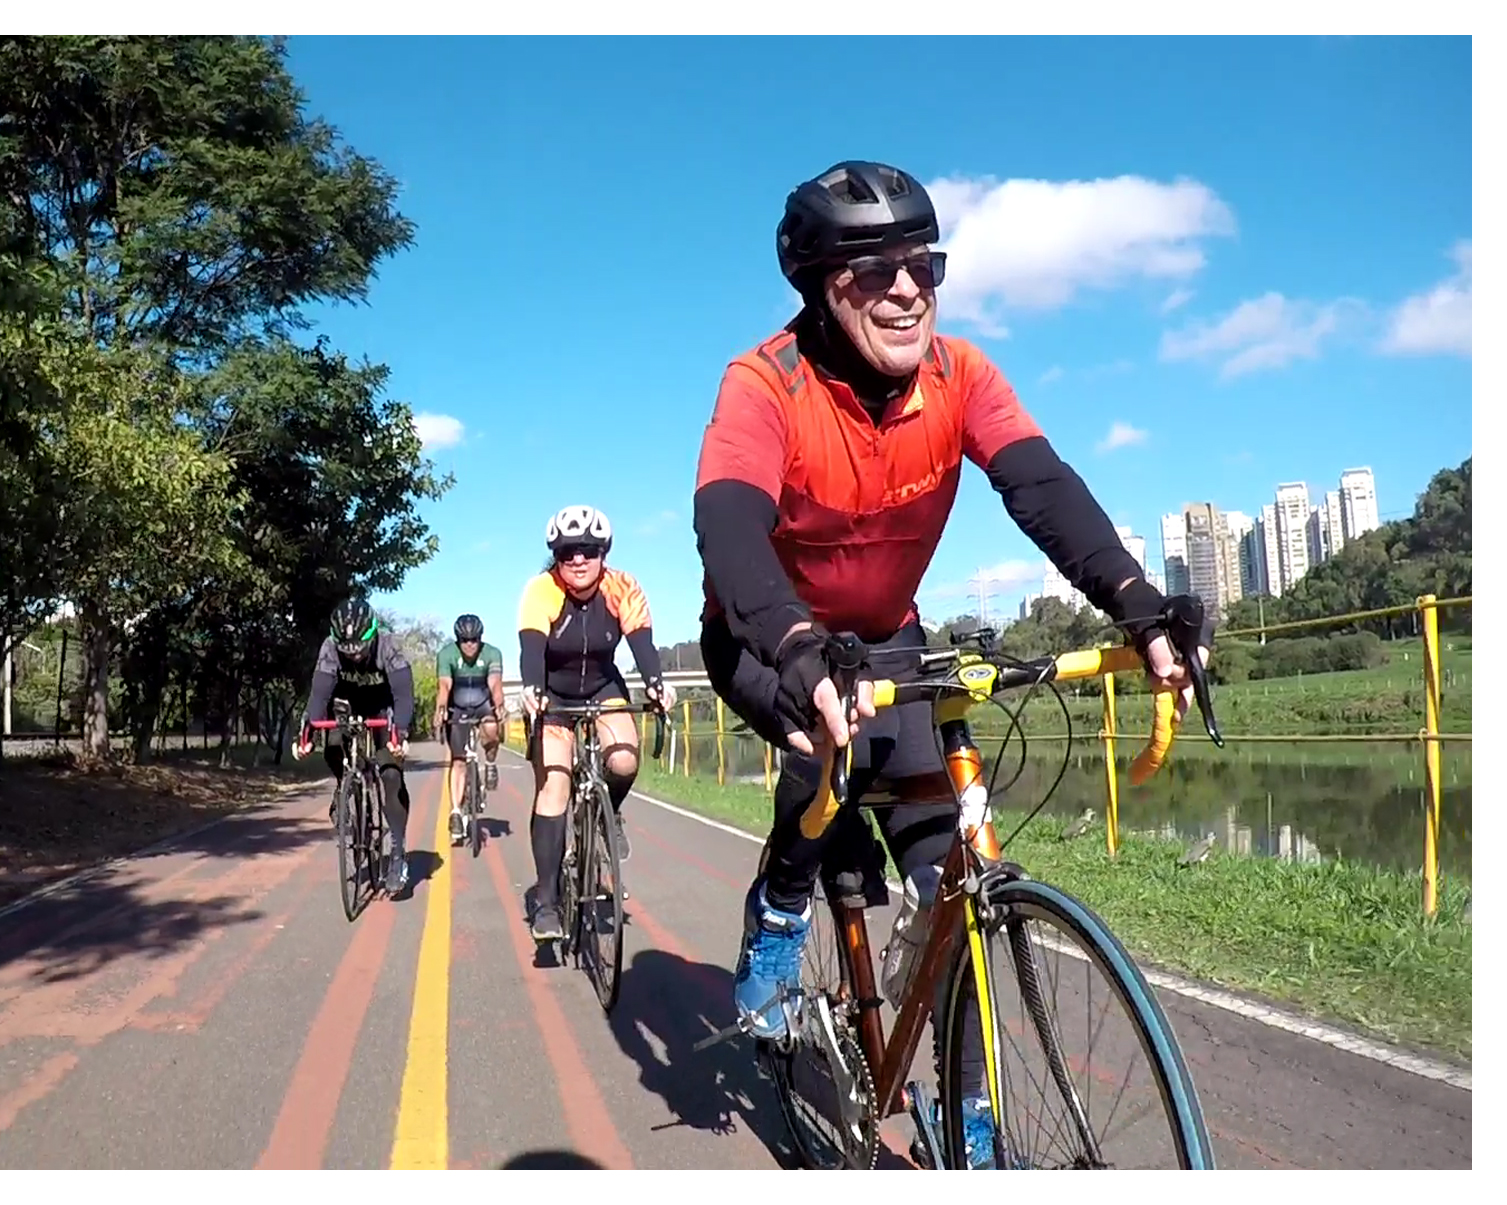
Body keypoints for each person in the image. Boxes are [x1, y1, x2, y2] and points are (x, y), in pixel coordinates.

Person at [691, 160, 1212, 1167]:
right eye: (871, 270)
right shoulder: (763, 384)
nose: (905, 289)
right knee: (819, 754)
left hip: (888, 638)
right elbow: (728, 524)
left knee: (949, 882)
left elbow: (1040, 486)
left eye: (923, 264)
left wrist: (1138, 604)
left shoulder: (959, 374)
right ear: (819, 287)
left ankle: (971, 1124)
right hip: (763, 636)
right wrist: (792, 643)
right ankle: (782, 904)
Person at [515, 505, 677, 941]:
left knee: (623, 760)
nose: (578, 559)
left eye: (588, 549)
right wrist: (532, 689)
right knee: (554, 785)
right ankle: (547, 902)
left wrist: (656, 685)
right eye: (567, 552)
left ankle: (609, 814)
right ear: (556, 556)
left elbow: (642, 645)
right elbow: (531, 649)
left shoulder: (622, 586)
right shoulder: (542, 589)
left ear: (604, 552)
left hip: (604, 687)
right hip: (554, 694)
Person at [297, 597, 417, 896]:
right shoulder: (329, 648)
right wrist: (307, 735)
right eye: (346, 649)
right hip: (345, 700)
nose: (353, 655)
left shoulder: (389, 646)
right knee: (333, 743)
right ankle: (345, 785)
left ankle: (398, 853)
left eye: (359, 648)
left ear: (373, 633)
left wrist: (400, 734)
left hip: (383, 704)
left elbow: (404, 696)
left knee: (391, 774)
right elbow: (318, 696)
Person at [433, 612, 506, 845]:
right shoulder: (447, 654)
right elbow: (445, 686)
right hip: (458, 707)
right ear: (458, 640)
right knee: (458, 761)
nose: (470, 645)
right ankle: (456, 811)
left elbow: (495, 684)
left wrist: (499, 705)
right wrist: (441, 708)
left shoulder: (492, 653)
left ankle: (491, 763)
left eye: (474, 639)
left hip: (483, 704)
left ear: (480, 638)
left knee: (492, 728)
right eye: (465, 640)